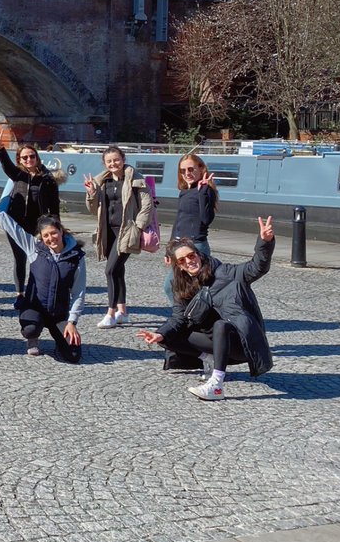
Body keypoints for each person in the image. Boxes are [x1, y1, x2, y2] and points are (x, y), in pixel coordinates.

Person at [136, 217, 276, 401]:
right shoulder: (181, 286)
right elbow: (178, 319)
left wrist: (265, 242)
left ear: (198, 254)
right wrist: (159, 334)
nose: (189, 261)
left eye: (191, 255)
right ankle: (209, 359)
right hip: (211, 341)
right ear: (179, 266)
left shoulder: (226, 273)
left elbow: (257, 267)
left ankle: (216, 385)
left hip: (240, 343)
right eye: (182, 260)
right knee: (167, 335)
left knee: (221, 325)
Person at [0, 185, 85, 362]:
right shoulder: (34, 248)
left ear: (61, 231)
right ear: (41, 237)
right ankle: (32, 337)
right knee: (30, 329)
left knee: (73, 356)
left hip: (59, 313)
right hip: (35, 308)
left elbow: (79, 293)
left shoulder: (76, 256)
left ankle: (59, 339)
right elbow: (11, 227)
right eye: (46, 235)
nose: (50, 238)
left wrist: (72, 322)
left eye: (54, 233)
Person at [83, 146, 153, 327]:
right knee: (118, 270)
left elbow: (147, 206)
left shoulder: (136, 179)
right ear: (104, 163)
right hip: (108, 231)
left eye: (116, 160)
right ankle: (123, 312)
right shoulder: (102, 182)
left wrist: (137, 227)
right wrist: (91, 193)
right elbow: (93, 210)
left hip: (127, 231)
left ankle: (110, 314)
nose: (113, 163)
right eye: (109, 161)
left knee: (110, 270)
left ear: (123, 159)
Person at [0, 135, 60, 304]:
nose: (29, 159)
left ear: (37, 157)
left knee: (37, 259)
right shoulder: (18, 175)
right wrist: (0, 148)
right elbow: (6, 165)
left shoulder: (48, 179)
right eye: (25, 157)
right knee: (19, 258)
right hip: (16, 223)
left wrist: (57, 226)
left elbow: (54, 205)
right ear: (20, 160)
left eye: (32, 156)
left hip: (38, 225)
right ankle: (20, 294)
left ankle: (35, 292)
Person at [164, 153, 219, 304]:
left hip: (196, 246)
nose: (187, 173)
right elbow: (179, 220)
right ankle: (187, 315)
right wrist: (169, 249)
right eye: (183, 170)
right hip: (180, 247)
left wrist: (203, 192)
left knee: (174, 286)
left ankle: (192, 315)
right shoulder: (184, 192)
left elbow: (206, 219)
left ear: (201, 169)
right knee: (177, 286)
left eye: (191, 169)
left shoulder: (206, 190)